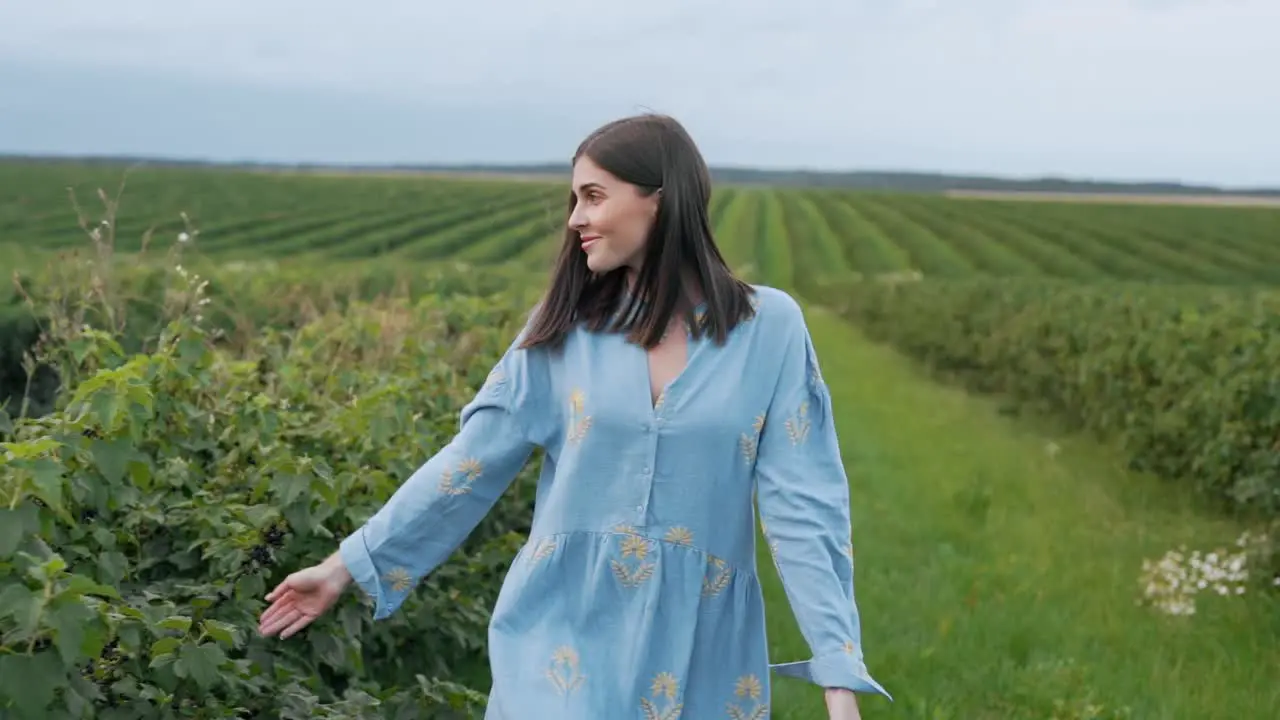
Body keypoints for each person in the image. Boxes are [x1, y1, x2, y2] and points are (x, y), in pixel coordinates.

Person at [257, 113, 891, 719]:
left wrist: (838, 675)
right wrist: (345, 566)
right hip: (560, 635)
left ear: (660, 200)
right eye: (574, 200)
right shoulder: (564, 331)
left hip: (702, 644)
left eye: (593, 196)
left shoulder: (769, 329)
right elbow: (468, 467)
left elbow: (804, 507)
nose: (576, 219)